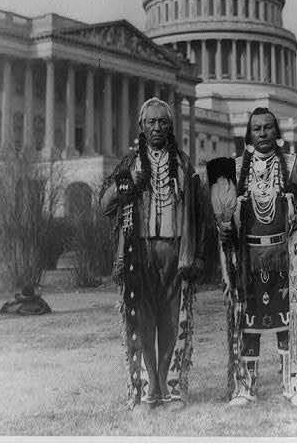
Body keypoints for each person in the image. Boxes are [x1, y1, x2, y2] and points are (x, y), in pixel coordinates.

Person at [208, 107, 297, 407]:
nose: (262, 133)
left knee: (288, 322)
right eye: (256, 128)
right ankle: (245, 387)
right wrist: (225, 226)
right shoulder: (233, 168)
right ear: (248, 134)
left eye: (268, 128)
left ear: (277, 132)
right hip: (248, 260)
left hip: (284, 256)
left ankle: (292, 384)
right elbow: (223, 217)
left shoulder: (293, 166)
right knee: (247, 323)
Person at [99, 97, 205, 412]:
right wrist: (127, 185)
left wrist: (197, 256)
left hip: (175, 249)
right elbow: (105, 204)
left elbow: (200, 216)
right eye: (151, 122)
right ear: (142, 127)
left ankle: (171, 389)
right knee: (142, 319)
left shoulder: (185, 164)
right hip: (138, 251)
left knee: (174, 319)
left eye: (163, 122)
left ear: (171, 127)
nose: (157, 127)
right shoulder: (129, 164)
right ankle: (148, 390)